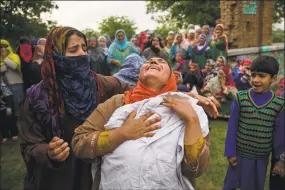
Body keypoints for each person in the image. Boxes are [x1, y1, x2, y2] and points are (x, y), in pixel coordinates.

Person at [72, 57, 217, 190]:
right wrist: (122, 134)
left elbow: (196, 169)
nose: (153, 62)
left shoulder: (188, 108)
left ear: (171, 77)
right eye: (148, 61)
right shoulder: (117, 103)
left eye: (161, 61)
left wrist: (192, 120)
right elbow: (79, 143)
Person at [17, 26, 132, 190]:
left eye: (84, 48)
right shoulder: (37, 97)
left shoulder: (101, 85)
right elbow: (28, 145)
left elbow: (134, 91)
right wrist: (48, 152)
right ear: (55, 55)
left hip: (94, 175)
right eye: (73, 49)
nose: (82, 54)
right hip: (58, 178)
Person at [223, 56, 284, 190]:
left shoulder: (278, 105)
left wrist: (280, 160)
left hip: (260, 159)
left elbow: (279, 136)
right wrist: (230, 152)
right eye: (253, 75)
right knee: (230, 186)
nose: (256, 80)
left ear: (273, 78)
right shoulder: (241, 98)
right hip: (238, 156)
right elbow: (232, 127)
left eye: (262, 76)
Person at [0, 39, 24, 120]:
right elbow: (1, 69)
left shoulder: (14, 56)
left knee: (18, 106)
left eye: (5, 47)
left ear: (9, 47)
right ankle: (12, 127)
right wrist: (6, 65)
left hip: (17, 84)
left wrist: (5, 58)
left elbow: (14, 66)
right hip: (4, 87)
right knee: (9, 108)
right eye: (1, 47)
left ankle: (21, 126)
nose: (3, 49)